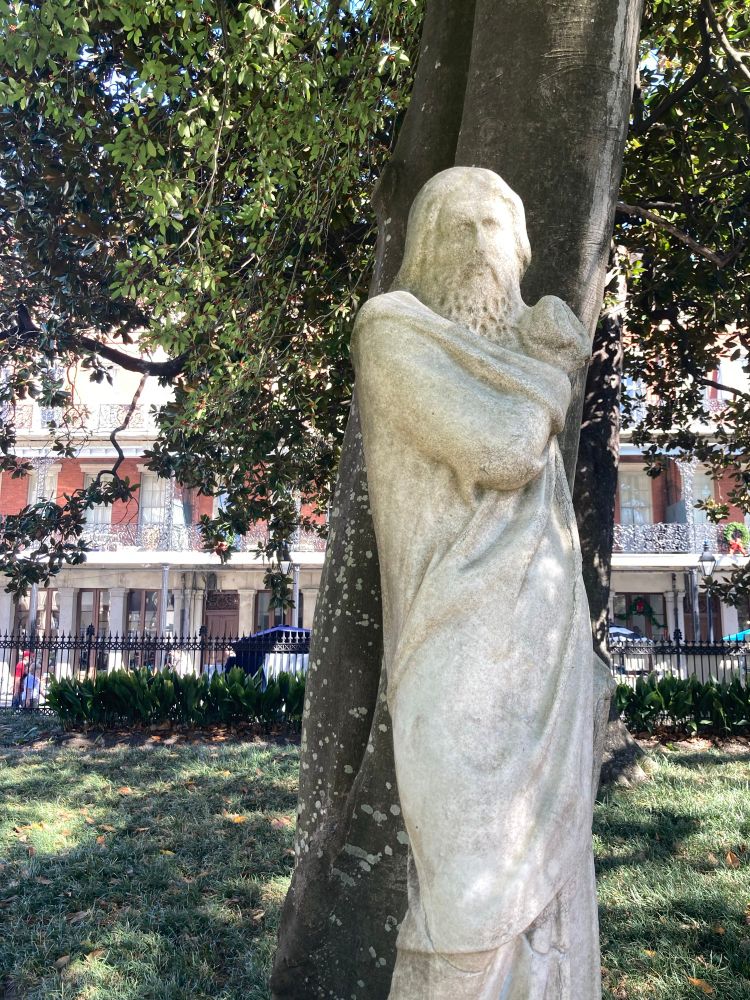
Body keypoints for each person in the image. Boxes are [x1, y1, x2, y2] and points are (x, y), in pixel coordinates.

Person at [352, 167, 597, 999]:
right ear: (422, 240)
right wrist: (552, 372)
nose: (476, 245)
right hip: (449, 646)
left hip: (543, 652)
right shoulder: (395, 330)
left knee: (544, 886)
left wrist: (539, 362)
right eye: (453, 224)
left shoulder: (520, 356)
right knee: (462, 892)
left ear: (522, 249)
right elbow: (503, 448)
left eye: (494, 225)